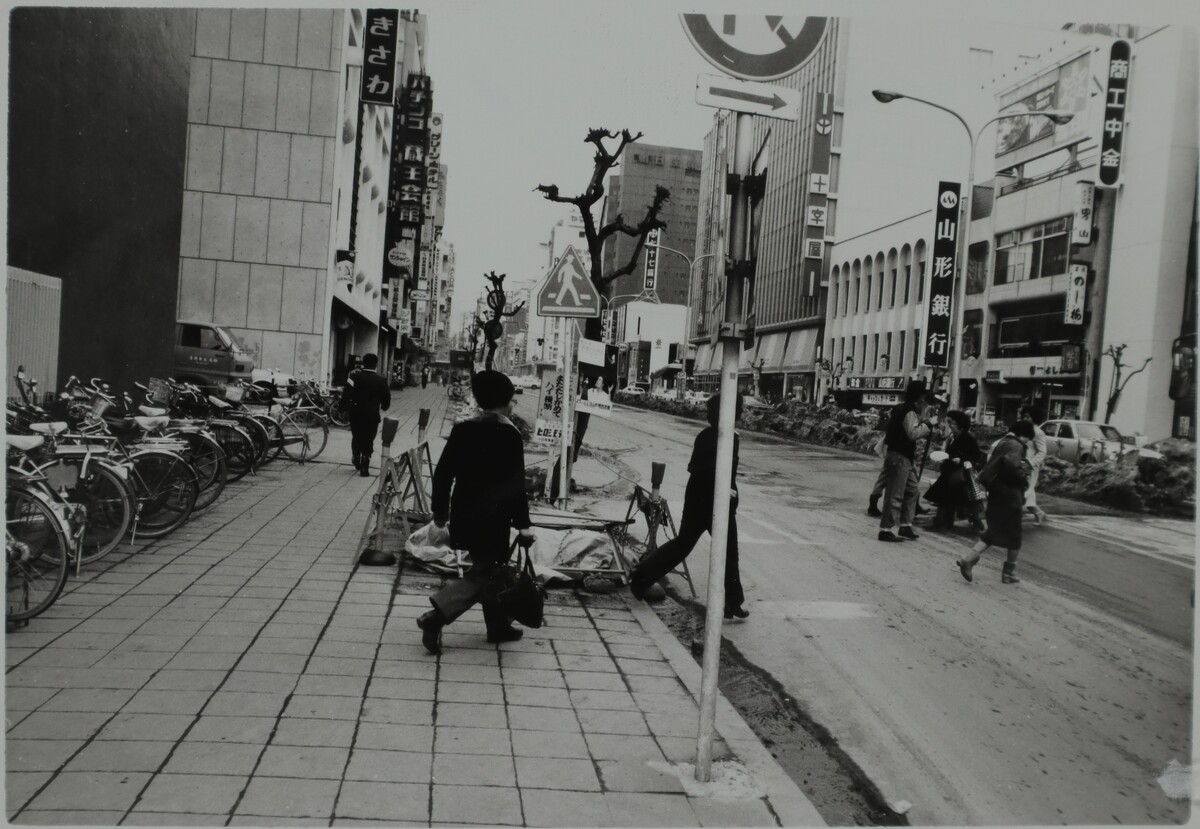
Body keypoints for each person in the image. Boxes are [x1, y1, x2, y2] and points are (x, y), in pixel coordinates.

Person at [417, 371, 534, 654]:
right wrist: (523, 525)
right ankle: (436, 616)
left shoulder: (462, 430)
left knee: (491, 569)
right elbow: (516, 485)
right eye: (512, 400)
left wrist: (440, 512)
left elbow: (443, 474)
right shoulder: (509, 434)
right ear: (506, 402)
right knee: (484, 574)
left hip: (464, 513)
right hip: (494, 517)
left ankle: (497, 627)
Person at [629, 394, 747, 620]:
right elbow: (698, 469)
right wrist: (722, 487)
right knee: (692, 546)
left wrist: (728, 491)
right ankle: (641, 577)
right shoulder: (714, 438)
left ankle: (733, 602)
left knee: (725, 551)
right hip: (705, 502)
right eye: (737, 410)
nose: (740, 415)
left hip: (715, 502)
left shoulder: (727, 437)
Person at [956, 420, 1035, 584]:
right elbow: (1012, 467)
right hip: (1009, 493)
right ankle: (1006, 572)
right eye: (1029, 438)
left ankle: (971, 559)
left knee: (996, 529)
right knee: (1014, 534)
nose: (1028, 442)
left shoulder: (1004, 442)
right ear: (1024, 435)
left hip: (996, 491)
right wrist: (1023, 474)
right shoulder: (1016, 445)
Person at [878, 380, 937, 542]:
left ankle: (905, 524)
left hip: (902, 456)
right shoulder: (909, 411)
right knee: (895, 494)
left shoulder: (902, 408)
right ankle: (885, 529)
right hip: (900, 456)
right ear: (920, 395)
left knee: (912, 490)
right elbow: (912, 434)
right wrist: (928, 425)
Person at [923, 410, 986, 532]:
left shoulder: (968, 438)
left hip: (961, 474)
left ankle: (970, 521)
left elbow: (976, 457)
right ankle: (943, 522)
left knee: (964, 500)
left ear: (960, 424)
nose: (950, 425)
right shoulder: (952, 436)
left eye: (952, 423)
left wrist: (961, 460)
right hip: (950, 471)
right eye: (949, 422)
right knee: (945, 497)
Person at [345, 353, 391, 476]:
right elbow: (386, 398)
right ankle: (365, 462)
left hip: (356, 413)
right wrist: (384, 406)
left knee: (357, 436)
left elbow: (346, 394)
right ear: (376, 364)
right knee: (369, 438)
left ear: (363, 363)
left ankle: (356, 455)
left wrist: (343, 408)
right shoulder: (382, 380)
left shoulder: (353, 377)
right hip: (372, 414)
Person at [1020, 405, 1049, 525]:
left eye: (1028, 417)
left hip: (1030, 466)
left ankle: (1038, 513)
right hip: (1020, 463)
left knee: (1026, 490)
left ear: (1034, 418)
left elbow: (1043, 451)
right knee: (1024, 490)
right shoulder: (1022, 430)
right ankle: (1038, 513)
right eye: (1024, 416)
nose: (1026, 419)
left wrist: (1031, 463)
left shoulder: (1038, 432)